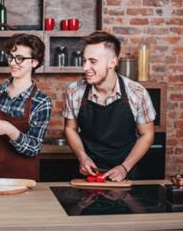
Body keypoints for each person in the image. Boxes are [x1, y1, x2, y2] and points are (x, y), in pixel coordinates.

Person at [63, 31, 156, 181]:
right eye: (84, 60)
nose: (85, 67)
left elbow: (147, 135)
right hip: (88, 172)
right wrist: (82, 157)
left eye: (92, 61)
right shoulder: (74, 91)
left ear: (112, 63)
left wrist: (124, 167)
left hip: (126, 170)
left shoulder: (137, 93)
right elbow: (70, 128)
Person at [0, 33, 52, 180]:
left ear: (34, 62)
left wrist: (10, 130)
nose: (13, 63)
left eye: (20, 58)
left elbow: (34, 148)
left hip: (22, 178)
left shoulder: (41, 102)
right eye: (11, 56)